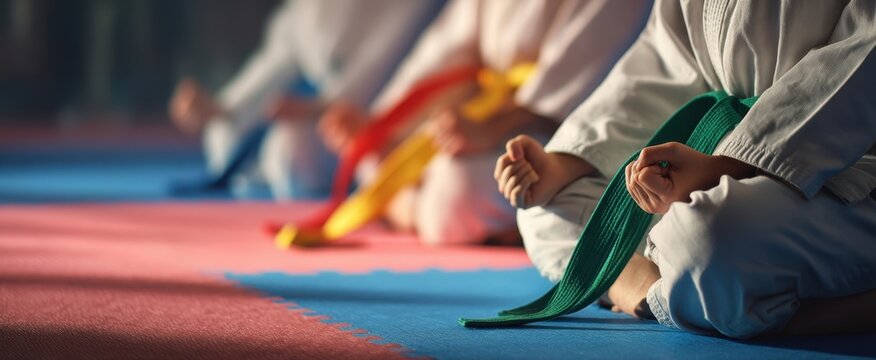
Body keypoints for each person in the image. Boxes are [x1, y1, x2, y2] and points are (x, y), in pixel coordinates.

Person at [496, 0, 876, 338]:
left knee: (709, 234)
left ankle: (661, 286)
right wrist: (569, 162)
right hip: (720, 157)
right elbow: (663, 65)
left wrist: (733, 165)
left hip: (844, 171)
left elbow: (864, 53)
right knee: (548, 208)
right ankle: (654, 287)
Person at [320, 0, 652, 245]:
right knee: (379, 158)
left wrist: (495, 127)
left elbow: (577, 81)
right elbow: (446, 48)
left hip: (566, 127)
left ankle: (410, 210)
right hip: (491, 107)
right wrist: (384, 123)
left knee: (458, 188)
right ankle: (451, 217)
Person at [168, 0, 443, 199]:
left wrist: (326, 107)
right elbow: (280, 56)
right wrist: (224, 107)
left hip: (384, 109)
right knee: (224, 135)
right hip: (322, 104)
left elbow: (384, 64)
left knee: (291, 151)